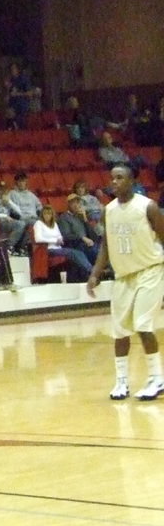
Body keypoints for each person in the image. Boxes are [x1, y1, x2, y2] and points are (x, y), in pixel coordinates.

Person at [86, 164, 164, 401]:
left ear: (132, 181)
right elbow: (106, 246)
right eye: (113, 178)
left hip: (150, 271)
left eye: (120, 178)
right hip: (123, 277)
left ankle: (157, 378)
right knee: (120, 331)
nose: (115, 182)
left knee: (142, 324)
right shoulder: (108, 210)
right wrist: (95, 273)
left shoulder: (147, 207)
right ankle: (121, 382)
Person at [33, 206, 94, 282]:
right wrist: (55, 241)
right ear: (42, 215)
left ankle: (87, 273)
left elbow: (60, 236)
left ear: (52, 215)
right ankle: (92, 271)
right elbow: (38, 239)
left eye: (49, 214)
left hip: (58, 248)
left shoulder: (54, 224)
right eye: (45, 214)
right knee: (72, 253)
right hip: (47, 249)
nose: (47, 216)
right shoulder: (38, 224)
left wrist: (60, 240)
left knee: (79, 252)